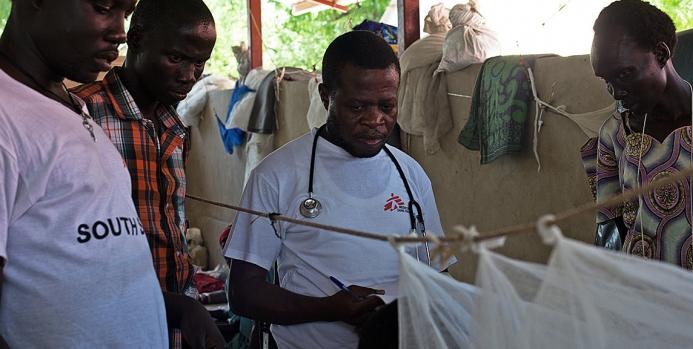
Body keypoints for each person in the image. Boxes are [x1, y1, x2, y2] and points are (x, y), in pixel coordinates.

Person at [224, 30, 455, 349]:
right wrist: (329, 308)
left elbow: (440, 274)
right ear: (325, 96)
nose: (375, 120)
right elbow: (243, 293)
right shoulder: (277, 176)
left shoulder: (411, 175)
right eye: (357, 107)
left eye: (387, 106)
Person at [0, 0, 170, 348]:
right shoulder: (6, 116)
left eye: (126, 11)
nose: (120, 32)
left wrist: (174, 308)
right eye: (104, 6)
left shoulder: (64, 106)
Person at [72, 0, 224, 347]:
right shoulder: (80, 117)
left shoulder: (174, 127)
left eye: (199, 62)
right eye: (176, 58)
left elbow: (168, 233)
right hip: (107, 328)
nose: (188, 75)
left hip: (172, 328)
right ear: (136, 40)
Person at [582, 0, 693, 278]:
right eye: (605, 79)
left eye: (625, 74)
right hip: (649, 296)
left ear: (661, 54)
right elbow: (610, 233)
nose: (615, 91)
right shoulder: (614, 136)